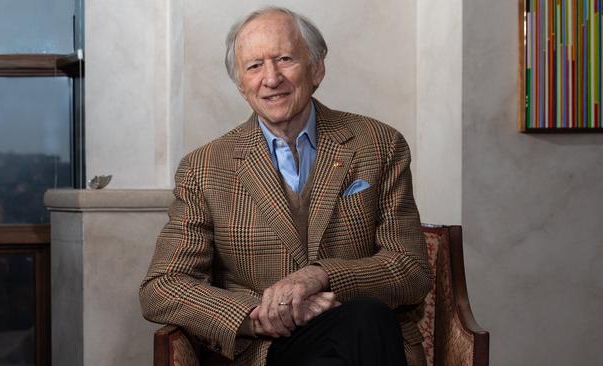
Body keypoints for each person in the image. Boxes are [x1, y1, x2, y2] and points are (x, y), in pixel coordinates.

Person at [140, 6, 431, 366]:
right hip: (267, 348)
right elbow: (163, 286)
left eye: (284, 59)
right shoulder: (204, 168)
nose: (271, 78)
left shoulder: (378, 144)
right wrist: (260, 315)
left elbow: (410, 270)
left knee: (364, 319)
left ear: (317, 69)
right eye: (254, 66)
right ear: (241, 85)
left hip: (362, 331)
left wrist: (320, 277)